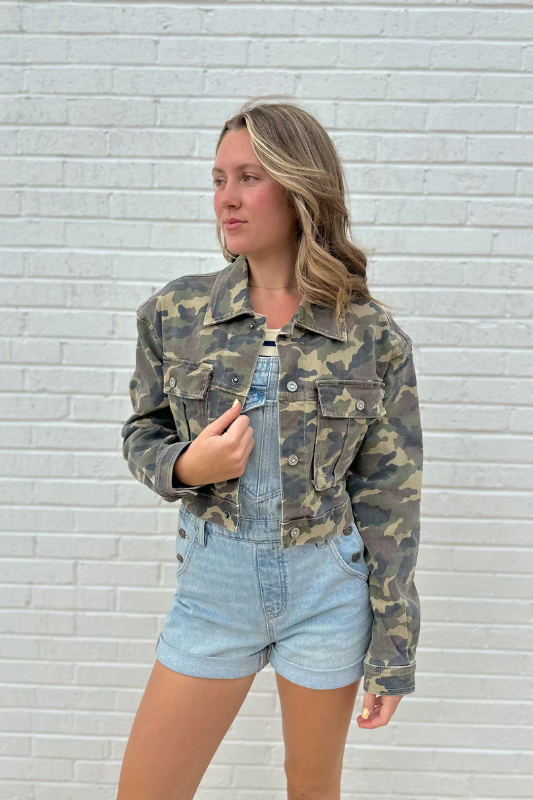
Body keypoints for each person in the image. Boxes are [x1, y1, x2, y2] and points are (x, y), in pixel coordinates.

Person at [117, 102, 423, 800]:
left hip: (328, 592)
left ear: (299, 187)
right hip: (214, 592)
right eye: (218, 179)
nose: (226, 197)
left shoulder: (369, 335)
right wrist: (187, 466)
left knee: (311, 790)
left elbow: (390, 500)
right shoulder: (176, 313)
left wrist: (393, 650)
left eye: (248, 177)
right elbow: (142, 431)